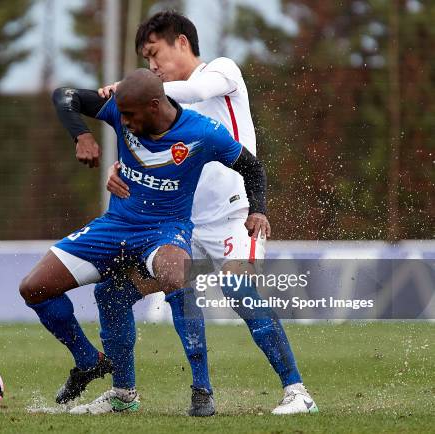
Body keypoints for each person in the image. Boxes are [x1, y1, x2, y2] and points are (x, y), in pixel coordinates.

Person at [70, 11, 317, 416]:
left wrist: (134, 91)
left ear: (182, 42)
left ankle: (297, 393)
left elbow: (196, 90)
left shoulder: (221, 72)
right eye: (146, 61)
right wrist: (121, 170)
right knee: (112, 293)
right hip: (177, 228)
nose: (151, 65)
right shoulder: (160, 108)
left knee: (240, 291)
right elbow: (147, 149)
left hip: (236, 216)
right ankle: (123, 395)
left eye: (154, 54)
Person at [19, 68, 269, 417]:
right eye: (120, 114)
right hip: (115, 226)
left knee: (175, 274)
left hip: (165, 229)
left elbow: (252, 167)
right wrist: (81, 135)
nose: (122, 121)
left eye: (130, 115)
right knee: (34, 287)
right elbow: (64, 96)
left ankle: (201, 389)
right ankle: (89, 361)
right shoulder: (120, 111)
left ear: (155, 106)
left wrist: (257, 210)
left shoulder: (201, 132)